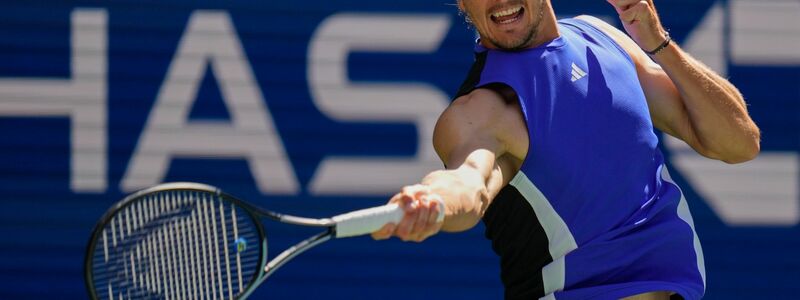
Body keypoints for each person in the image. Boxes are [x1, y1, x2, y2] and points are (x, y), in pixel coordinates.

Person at [371, 0, 761, 299]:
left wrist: (658, 41)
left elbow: (739, 142)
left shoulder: (601, 36)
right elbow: (469, 183)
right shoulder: (483, 110)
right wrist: (432, 199)